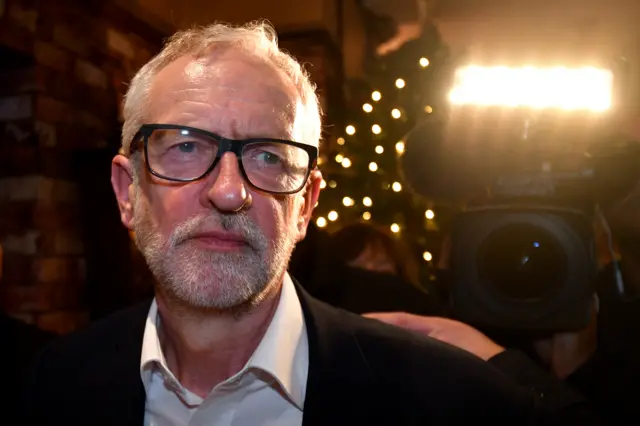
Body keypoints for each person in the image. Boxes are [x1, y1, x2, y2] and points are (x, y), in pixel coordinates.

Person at [24, 21, 595, 425]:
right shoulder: (55, 384)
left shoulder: (450, 400)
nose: (228, 191)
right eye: (187, 147)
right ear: (128, 192)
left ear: (307, 206)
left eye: (269, 157)